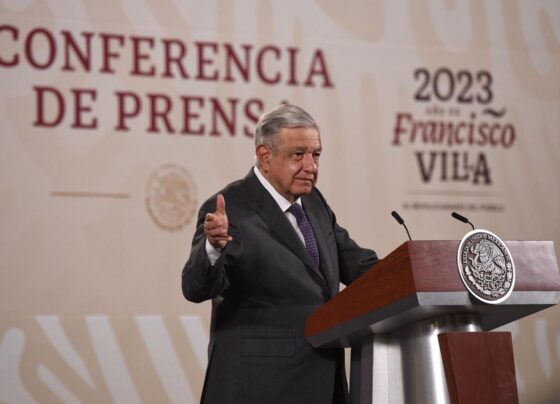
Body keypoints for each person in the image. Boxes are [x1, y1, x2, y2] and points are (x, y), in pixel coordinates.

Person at [182, 103, 378, 404]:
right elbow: (195, 288)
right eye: (298, 155)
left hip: (323, 384)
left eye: (316, 155)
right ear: (265, 156)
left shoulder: (313, 202)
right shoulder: (232, 208)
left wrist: (416, 273)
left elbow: (356, 263)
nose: (311, 166)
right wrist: (213, 247)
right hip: (259, 387)